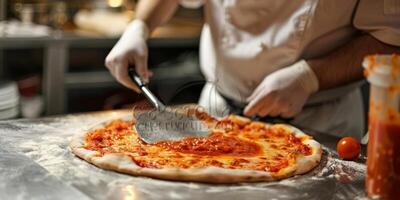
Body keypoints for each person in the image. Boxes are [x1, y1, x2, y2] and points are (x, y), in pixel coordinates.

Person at [105, 0, 400, 140]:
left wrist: (310, 77)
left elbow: (391, 38)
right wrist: (139, 28)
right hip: (216, 114)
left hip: (319, 124)